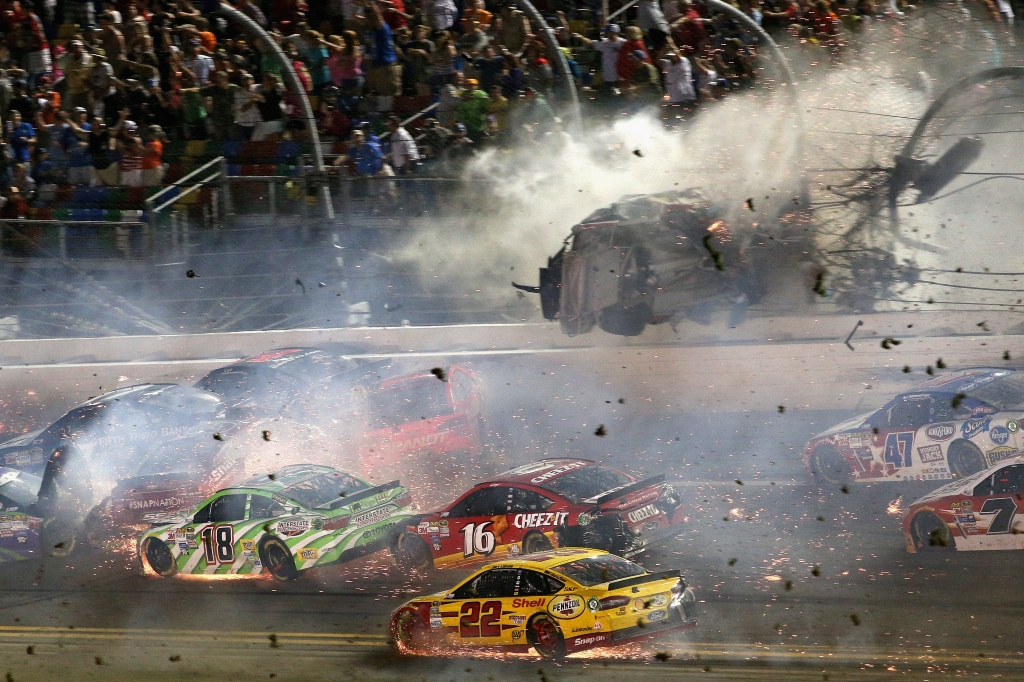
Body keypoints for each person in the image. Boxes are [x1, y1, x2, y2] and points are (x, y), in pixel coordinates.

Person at [574, 24, 625, 94]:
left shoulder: (623, 43)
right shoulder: (604, 42)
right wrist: (580, 37)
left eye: (608, 32)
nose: (606, 34)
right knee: (610, 94)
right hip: (608, 74)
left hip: (621, 74)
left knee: (621, 94)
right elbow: (590, 42)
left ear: (614, 33)